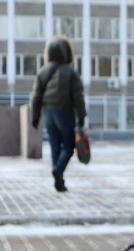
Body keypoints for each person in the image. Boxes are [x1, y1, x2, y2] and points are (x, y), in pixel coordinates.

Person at [30, 36, 86, 193]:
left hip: (48, 113)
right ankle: (59, 170)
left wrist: (35, 116)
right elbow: (78, 97)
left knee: (55, 145)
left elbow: (36, 96)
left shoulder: (43, 71)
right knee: (68, 146)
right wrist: (81, 118)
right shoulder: (70, 72)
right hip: (64, 112)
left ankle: (58, 178)